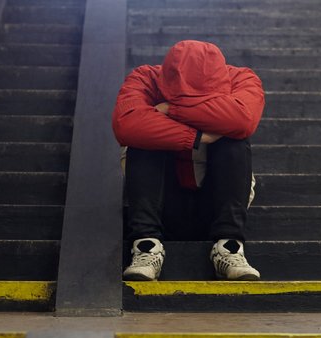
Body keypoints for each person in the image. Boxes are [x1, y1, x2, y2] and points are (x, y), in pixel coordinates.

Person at [112, 40, 264, 281]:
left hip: (215, 207)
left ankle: (229, 247)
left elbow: (243, 120)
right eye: (183, 93)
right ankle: (146, 247)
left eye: (199, 95)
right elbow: (126, 125)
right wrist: (197, 136)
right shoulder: (145, 77)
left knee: (235, 139)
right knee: (143, 138)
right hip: (161, 207)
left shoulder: (241, 78)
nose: (191, 97)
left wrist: (170, 109)